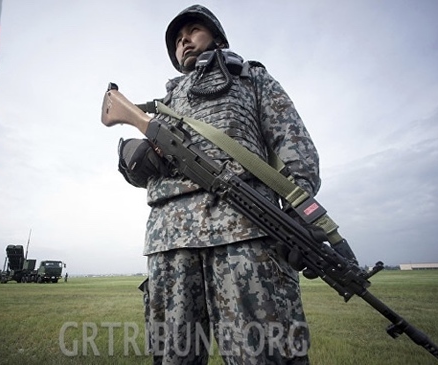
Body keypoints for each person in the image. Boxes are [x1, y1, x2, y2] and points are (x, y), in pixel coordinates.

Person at [115, 5, 331, 364]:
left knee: (263, 354)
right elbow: (142, 174)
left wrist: (296, 212)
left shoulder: (251, 79)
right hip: (170, 240)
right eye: (178, 40)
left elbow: (294, 145)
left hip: (246, 232)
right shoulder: (164, 104)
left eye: (194, 31)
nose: (184, 41)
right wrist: (132, 159)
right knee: (174, 355)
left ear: (216, 36)